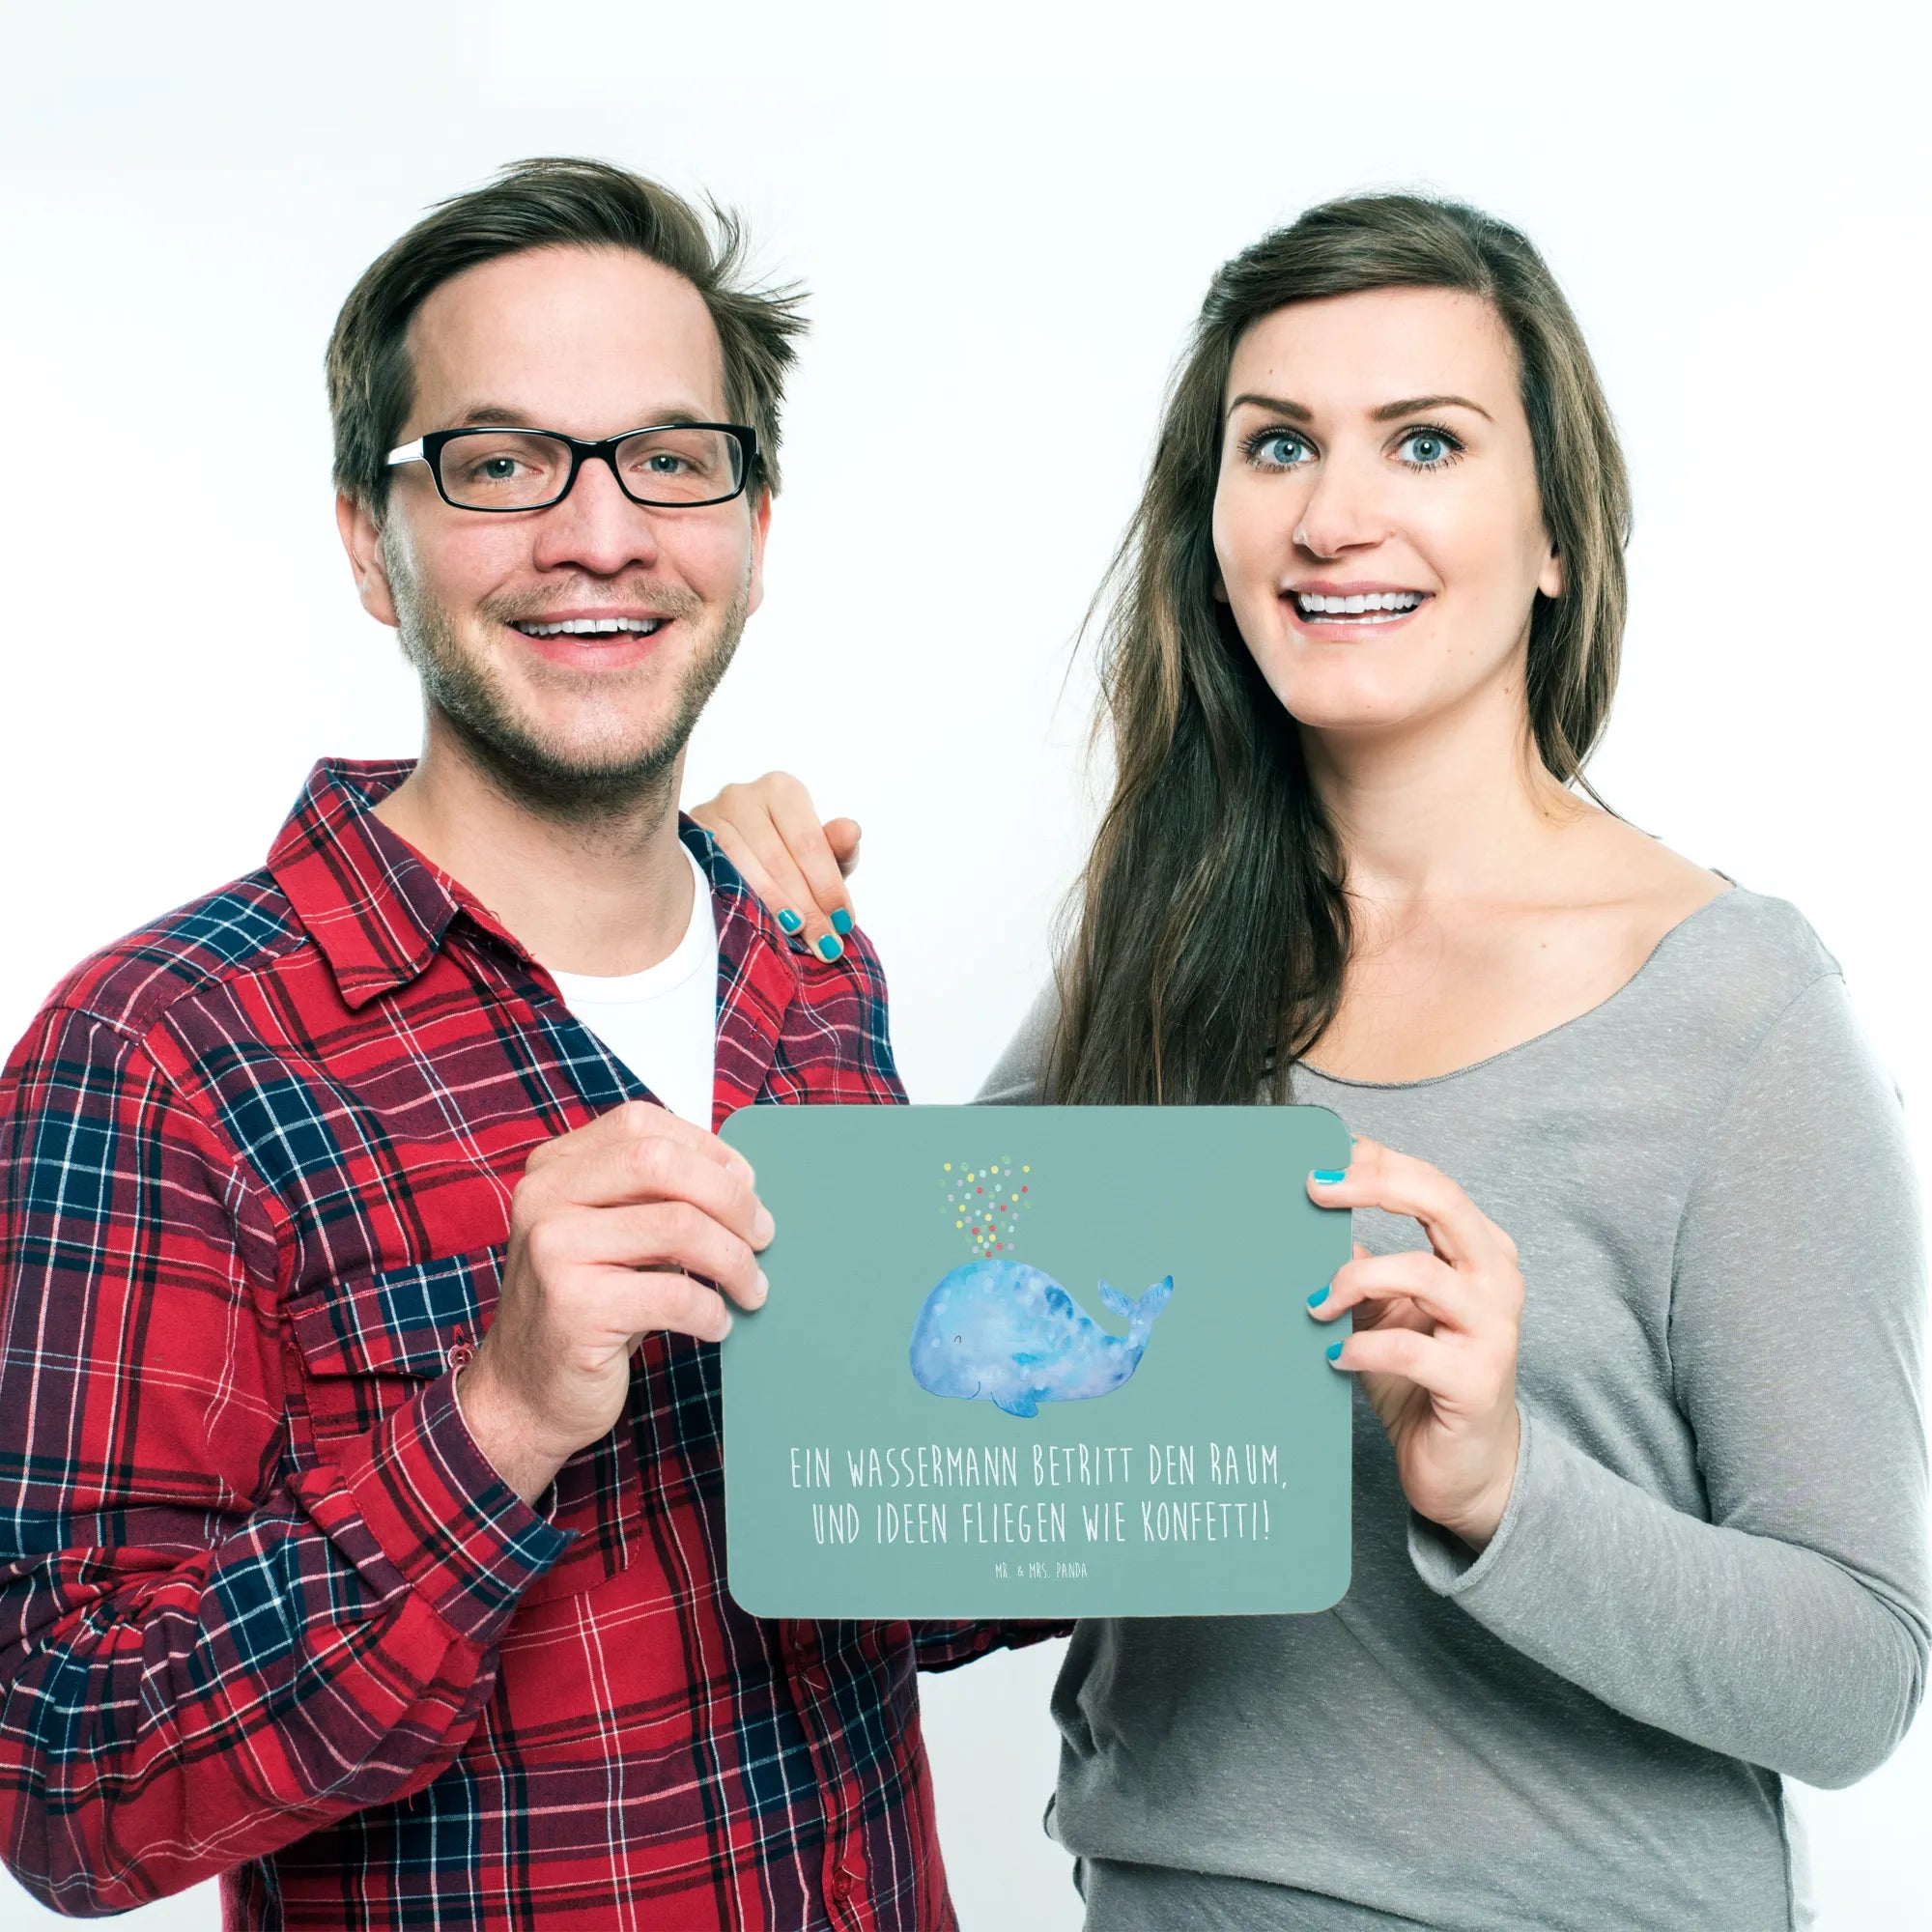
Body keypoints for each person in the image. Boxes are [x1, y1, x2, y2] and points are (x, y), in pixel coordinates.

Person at [691, 192, 1930, 1930]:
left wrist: (1504, 1490)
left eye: (1425, 442)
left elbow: (1858, 1675)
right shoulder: (1156, 944)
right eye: (1276, 444)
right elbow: (890, 1413)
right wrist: (731, 929)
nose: (1334, 517)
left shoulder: (1737, 1013)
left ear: (1557, 533)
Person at [0, 156, 1053, 1928]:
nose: (602, 534)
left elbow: (890, 1581)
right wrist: (495, 1420)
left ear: (753, 529)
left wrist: (1195, 1395)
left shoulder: (808, 963)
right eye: (500, 466)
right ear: (371, 541)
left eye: (671, 459)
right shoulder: (161, 1056)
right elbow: (66, 1788)